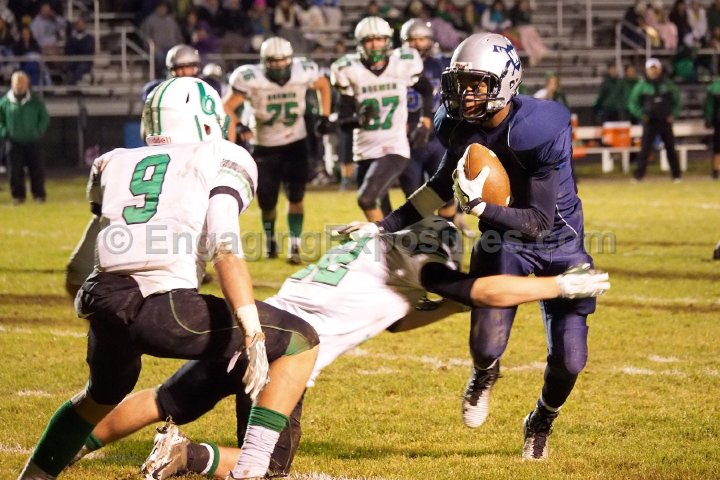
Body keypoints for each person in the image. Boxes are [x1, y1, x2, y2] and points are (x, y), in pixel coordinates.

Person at [69, 217, 610, 478]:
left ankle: (70, 448)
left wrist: (449, 307)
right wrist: (558, 286)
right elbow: (484, 291)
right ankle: (184, 456)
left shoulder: (373, 241)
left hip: (253, 327)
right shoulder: (418, 265)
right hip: (287, 354)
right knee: (269, 466)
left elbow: (396, 321)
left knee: (164, 400)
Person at [17, 77, 320, 480]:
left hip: (103, 298)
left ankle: (33, 476)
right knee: (299, 339)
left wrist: (104, 317)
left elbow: (78, 268)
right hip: (166, 308)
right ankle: (255, 467)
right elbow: (225, 249)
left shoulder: (112, 161)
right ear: (206, 122)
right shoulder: (220, 154)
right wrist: (252, 330)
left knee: (98, 397)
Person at [341, 33, 599, 461]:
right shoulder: (458, 123)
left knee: (571, 359)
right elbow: (438, 187)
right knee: (486, 346)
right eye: (460, 83)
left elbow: (538, 221)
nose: (465, 94)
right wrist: (383, 226)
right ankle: (485, 373)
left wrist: (479, 207)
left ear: (506, 82)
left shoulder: (540, 128)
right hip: (504, 239)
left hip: (558, 239)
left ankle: (540, 419)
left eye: (477, 84)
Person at [223, 36, 332, 264]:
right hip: (264, 146)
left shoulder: (303, 71)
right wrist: (239, 124)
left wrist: (324, 116)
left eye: (283, 61)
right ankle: (271, 239)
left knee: (296, 197)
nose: (279, 66)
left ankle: (295, 245)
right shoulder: (251, 78)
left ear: (290, 60)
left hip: (296, 143)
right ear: (264, 62)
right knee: (267, 203)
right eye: (273, 61)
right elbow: (227, 106)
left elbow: (323, 85)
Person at [331, 16, 434, 222]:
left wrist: (425, 122)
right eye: (369, 40)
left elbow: (426, 89)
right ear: (360, 43)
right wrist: (358, 120)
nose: (375, 45)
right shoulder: (349, 69)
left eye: (379, 39)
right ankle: (392, 241)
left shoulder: (401, 63)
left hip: (393, 146)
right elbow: (343, 121)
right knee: (379, 209)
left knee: (366, 199)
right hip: (364, 150)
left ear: (387, 41)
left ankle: (420, 235)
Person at [398, 19, 456, 223]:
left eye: (422, 39)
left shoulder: (440, 64)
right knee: (414, 196)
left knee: (446, 193)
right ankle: (426, 235)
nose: (417, 44)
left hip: (436, 137)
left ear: (430, 40)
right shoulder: (395, 66)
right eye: (412, 40)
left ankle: (448, 233)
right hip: (406, 138)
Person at [627, 57, 681, 182]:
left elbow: (677, 100)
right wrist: (642, 115)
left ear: (659, 69)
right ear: (647, 70)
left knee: (670, 148)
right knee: (645, 149)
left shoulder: (668, 84)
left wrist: (674, 114)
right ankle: (638, 176)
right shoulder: (642, 86)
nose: (653, 71)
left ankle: (676, 175)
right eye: (651, 69)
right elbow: (632, 103)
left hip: (665, 121)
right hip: (649, 122)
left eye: (655, 68)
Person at [0, 70, 49, 204]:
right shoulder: (4, 102)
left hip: (33, 141)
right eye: (17, 83)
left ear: (27, 84)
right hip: (13, 142)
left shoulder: (35, 101)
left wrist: (38, 131)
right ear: (12, 84)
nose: (19, 85)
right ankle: (18, 196)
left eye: (22, 82)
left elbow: (44, 118)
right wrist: (5, 132)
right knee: (14, 171)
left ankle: (39, 195)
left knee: (37, 169)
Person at [703, 76, 720, 179]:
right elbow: (709, 105)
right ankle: (715, 171)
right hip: (719, 122)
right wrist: (708, 118)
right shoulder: (715, 86)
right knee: (717, 148)